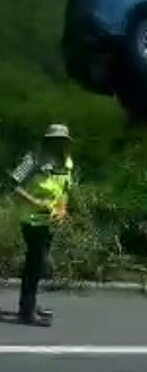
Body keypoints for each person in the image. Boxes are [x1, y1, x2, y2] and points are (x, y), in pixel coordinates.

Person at [7, 123, 73, 326]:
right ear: (47, 141)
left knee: (38, 265)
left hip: (50, 221)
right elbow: (12, 184)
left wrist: (62, 209)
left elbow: (64, 189)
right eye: (55, 140)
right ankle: (26, 311)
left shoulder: (66, 162)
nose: (59, 144)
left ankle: (30, 305)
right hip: (33, 220)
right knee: (35, 265)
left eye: (62, 140)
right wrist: (36, 203)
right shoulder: (33, 159)